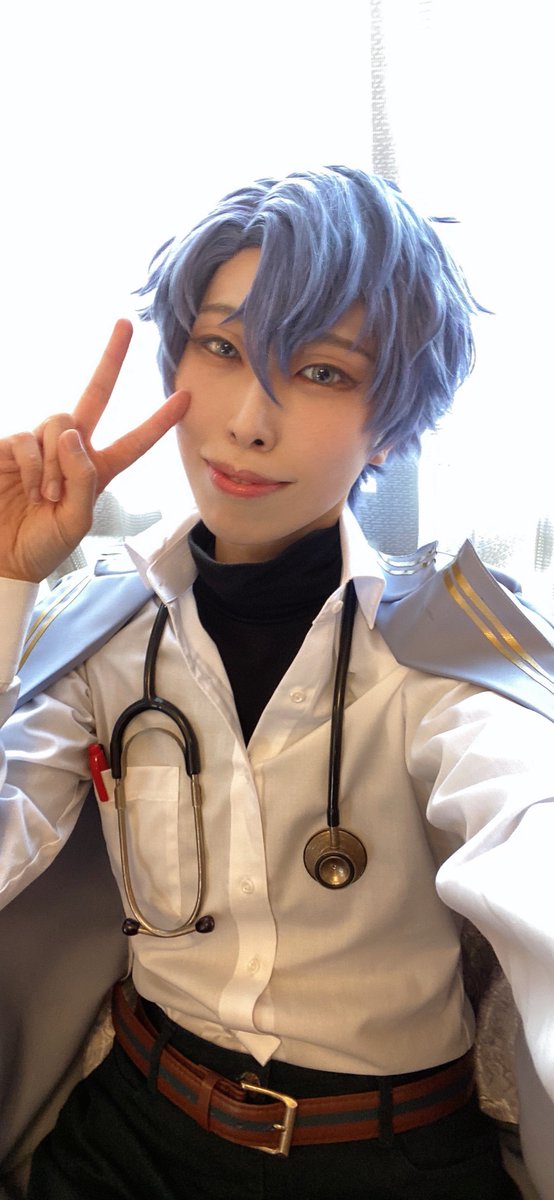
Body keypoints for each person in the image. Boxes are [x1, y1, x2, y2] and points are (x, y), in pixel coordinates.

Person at [0, 166, 552, 1200]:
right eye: (221, 349)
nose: (250, 421)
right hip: (128, 1135)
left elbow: (532, 827)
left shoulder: (449, 642)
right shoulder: (95, 630)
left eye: (323, 371)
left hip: (391, 1161)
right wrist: (3, 585)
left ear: (394, 423)